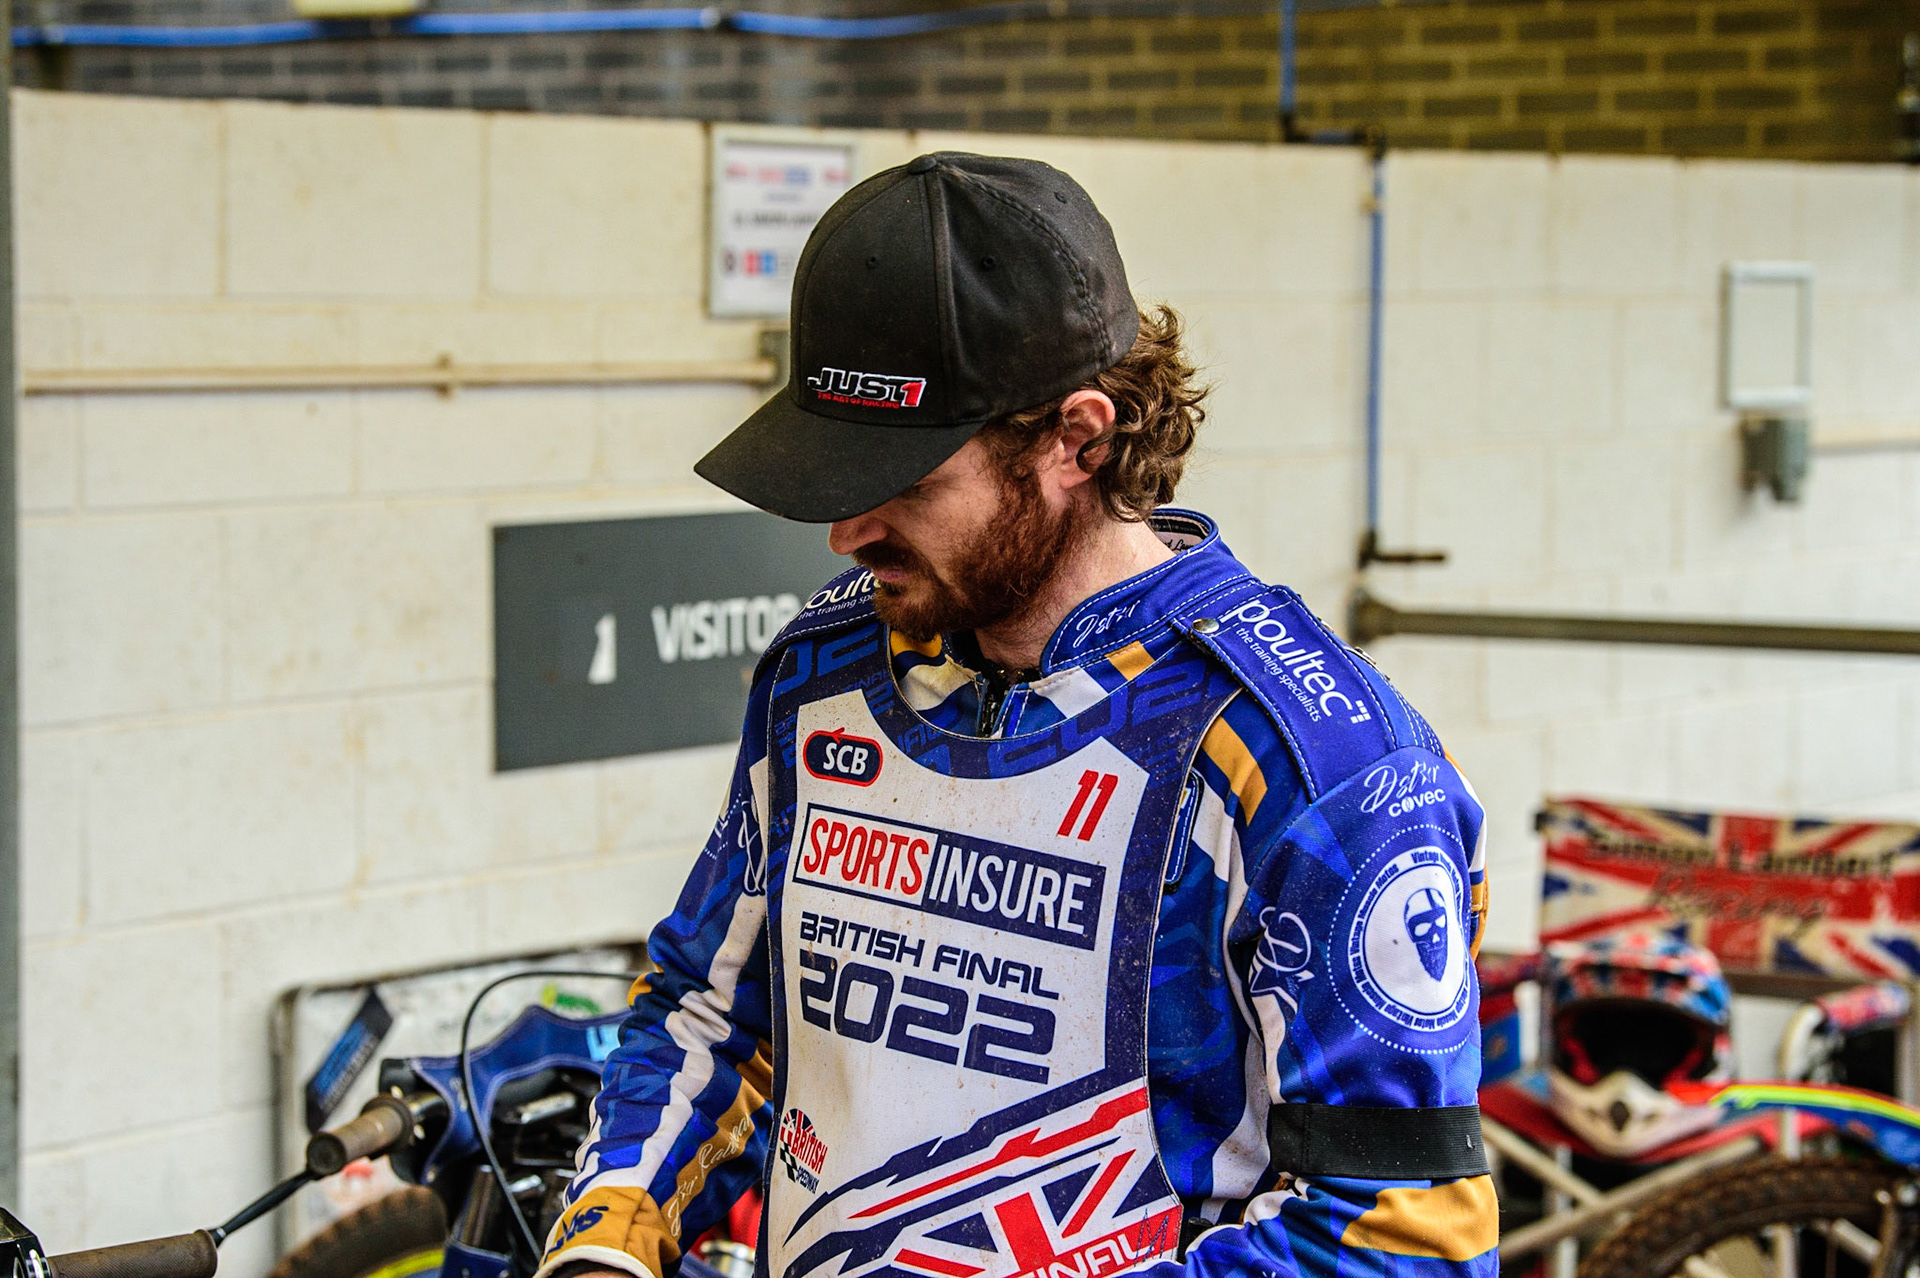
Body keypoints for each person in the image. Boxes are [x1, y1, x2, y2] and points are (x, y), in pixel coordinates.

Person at [536, 152, 1496, 1278]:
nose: (845, 531)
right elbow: (710, 1017)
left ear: (1076, 439)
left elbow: (1401, 1240)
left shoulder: (1316, 761)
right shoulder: (825, 669)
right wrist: (607, 1236)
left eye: (904, 478)